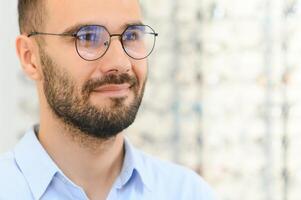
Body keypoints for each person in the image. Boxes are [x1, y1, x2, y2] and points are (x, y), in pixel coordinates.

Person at [0, 0, 216, 199]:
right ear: (30, 58)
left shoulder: (188, 193)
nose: (120, 63)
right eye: (87, 37)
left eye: (131, 35)